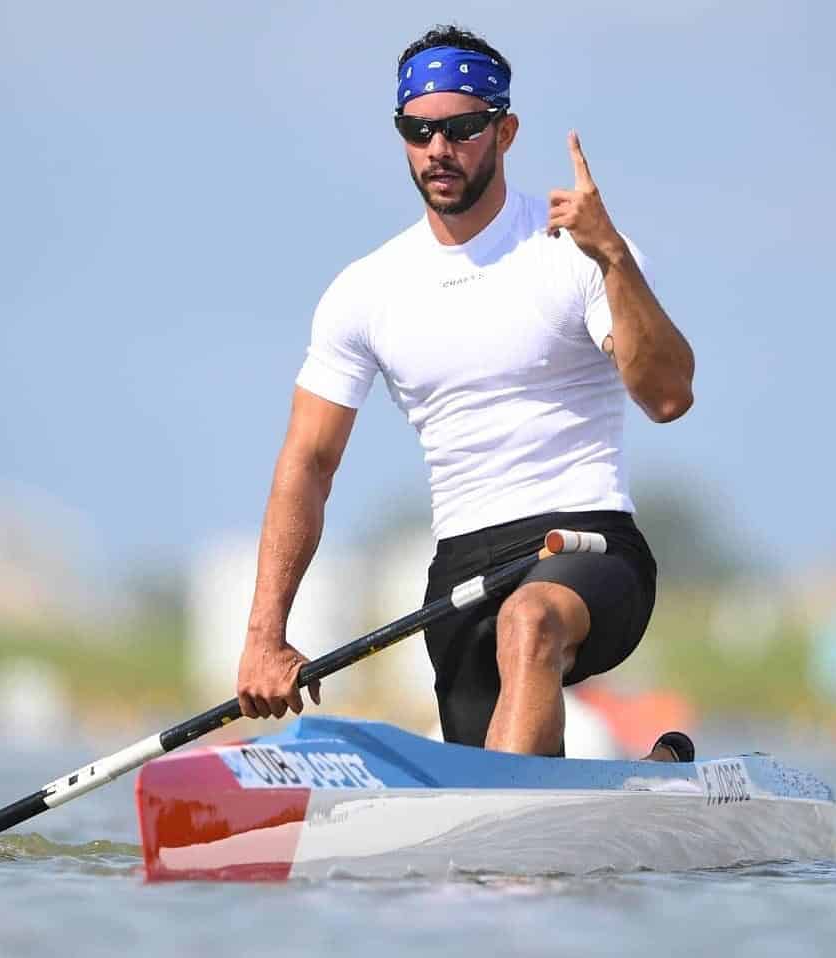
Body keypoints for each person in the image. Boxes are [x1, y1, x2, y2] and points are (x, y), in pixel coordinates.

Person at [235, 24, 695, 760]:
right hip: (461, 571)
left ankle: (521, 841)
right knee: (493, 763)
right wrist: (264, 637)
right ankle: (640, 782)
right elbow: (308, 463)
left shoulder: (575, 254)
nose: (438, 149)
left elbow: (669, 394)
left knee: (530, 623)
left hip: (588, 543)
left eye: (461, 128)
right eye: (419, 131)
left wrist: (612, 257)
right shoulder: (366, 291)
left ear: (504, 131)